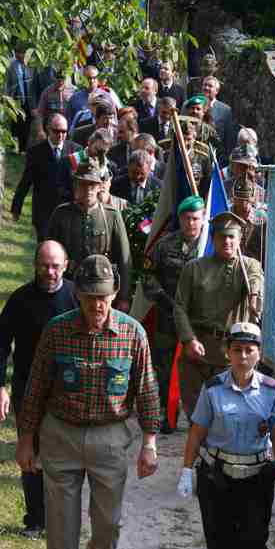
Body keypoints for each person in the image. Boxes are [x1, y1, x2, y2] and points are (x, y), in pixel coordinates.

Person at [16, 255, 161, 549]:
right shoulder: (57, 331)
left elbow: (146, 391)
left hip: (110, 436)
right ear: (77, 295)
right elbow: (35, 388)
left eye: (104, 297)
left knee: (108, 523)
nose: (98, 305)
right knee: (61, 523)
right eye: (90, 297)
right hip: (60, 434)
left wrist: (149, 442)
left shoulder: (133, 335)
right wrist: (26, 440)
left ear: (114, 295)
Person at [177, 323, 275, 549]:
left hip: (256, 477)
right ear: (227, 352)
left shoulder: (270, 390)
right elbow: (197, 431)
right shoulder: (212, 389)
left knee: (254, 542)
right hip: (218, 476)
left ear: (258, 353)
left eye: (249, 350)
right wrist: (187, 469)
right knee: (221, 545)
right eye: (236, 350)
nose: (242, 356)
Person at [0, 240, 78, 538]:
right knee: (31, 454)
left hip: (67, 389)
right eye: (44, 265)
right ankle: (36, 520)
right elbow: (0, 343)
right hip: (28, 387)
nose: (50, 272)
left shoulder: (77, 297)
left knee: (65, 456)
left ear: (65, 265)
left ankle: (62, 519)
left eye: (55, 266)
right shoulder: (21, 300)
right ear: (35, 265)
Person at [174, 211, 264, 419]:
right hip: (198, 351)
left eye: (232, 236)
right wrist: (189, 339)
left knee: (228, 415)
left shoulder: (249, 266)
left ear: (240, 239)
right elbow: (179, 307)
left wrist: (254, 295)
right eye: (222, 236)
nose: (227, 241)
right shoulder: (194, 268)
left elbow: (256, 282)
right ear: (213, 238)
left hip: (231, 355)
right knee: (197, 417)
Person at [143, 195, 205, 432]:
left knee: (197, 369)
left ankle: (197, 418)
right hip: (167, 317)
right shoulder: (164, 245)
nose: (191, 223)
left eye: (196, 218)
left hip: (198, 321)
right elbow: (148, 276)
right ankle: (166, 415)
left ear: (202, 219)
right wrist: (164, 299)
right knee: (165, 367)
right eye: (187, 218)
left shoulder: (208, 246)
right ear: (180, 218)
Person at [46, 154, 132, 310]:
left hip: (101, 286)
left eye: (92, 185)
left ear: (100, 186)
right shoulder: (61, 214)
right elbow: (47, 254)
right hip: (69, 284)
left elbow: (124, 259)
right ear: (75, 186)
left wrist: (124, 297)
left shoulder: (111, 215)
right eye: (83, 184)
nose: (88, 190)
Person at [11, 113, 79, 241]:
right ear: (48, 129)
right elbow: (26, 182)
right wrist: (16, 207)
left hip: (68, 210)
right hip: (44, 212)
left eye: (64, 131)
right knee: (45, 247)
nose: (60, 135)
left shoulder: (75, 151)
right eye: (56, 131)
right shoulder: (35, 153)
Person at [229, 176, 266, 266]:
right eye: (241, 200)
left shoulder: (262, 219)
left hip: (254, 268)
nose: (244, 204)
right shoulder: (226, 217)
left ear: (254, 199)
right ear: (233, 199)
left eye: (248, 200)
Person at [4, 43, 34, 153]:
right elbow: (7, 83)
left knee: (27, 124)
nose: (18, 55)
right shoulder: (12, 66)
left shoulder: (31, 66)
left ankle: (24, 148)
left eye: (20, 53)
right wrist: (7, 98)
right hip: (16, 99)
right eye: (16, 53)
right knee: (16, 124)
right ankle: (15, 146)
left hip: (29, 99)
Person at [34, 65, 76, 140]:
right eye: (58, 80)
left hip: (69, 128)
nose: (60, 82)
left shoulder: (73, 91)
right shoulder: (47, 92)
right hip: (53, 128)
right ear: (53, 78)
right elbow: (40, 113)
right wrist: (40, 130)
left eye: (62, 79)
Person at [202, 75, 234, 159]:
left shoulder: (225, 110)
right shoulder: (194, 106)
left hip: (217, 158)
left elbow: (229, 137)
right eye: (204, 85)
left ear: (217, 91)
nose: (206, 88)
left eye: (210, 86)